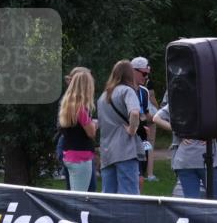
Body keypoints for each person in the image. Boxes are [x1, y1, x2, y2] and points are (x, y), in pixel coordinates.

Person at [154, 96, 217, 200]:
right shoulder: (210, 98)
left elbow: (156, 118)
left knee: (191, 203)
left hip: (184, 158)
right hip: (208, 155)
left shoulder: (180, 100)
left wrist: (178, 131)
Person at [97, 60, 144, 195]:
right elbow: (134, 113)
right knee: (129, 194)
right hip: (125, 150)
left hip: (107, 151)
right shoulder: (127, 91)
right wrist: (132, 129)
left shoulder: (103, 96)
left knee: (109, 195)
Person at [56, 68, 97, 192]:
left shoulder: (68, 105)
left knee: (74, 193)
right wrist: (94, 124)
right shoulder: (81, 109)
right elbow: (91, 133)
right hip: (81, 157)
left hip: (69, 154)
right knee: (80, 197)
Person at [131, 57, 159, 182]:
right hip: (128, 135)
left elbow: (146, 114)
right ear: (133, 71)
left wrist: (159, 119)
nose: (146, 77)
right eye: (144, 73)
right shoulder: (123, 90)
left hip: (142, 136)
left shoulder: (144, 91)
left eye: (147, 74)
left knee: (140, 175)